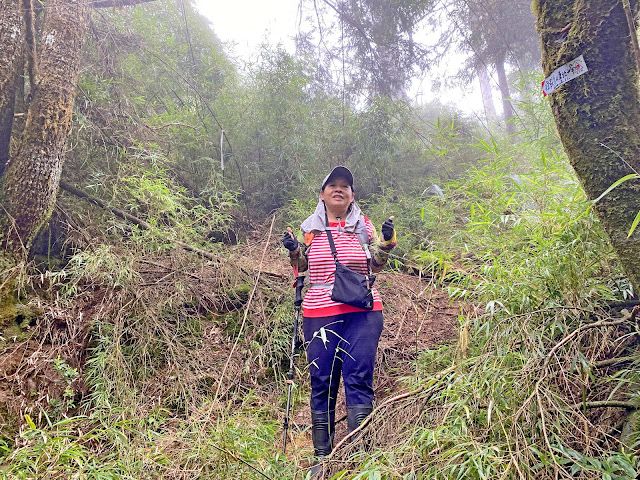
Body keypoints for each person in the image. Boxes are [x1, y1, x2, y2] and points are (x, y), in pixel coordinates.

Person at [281, 165, 397, 465]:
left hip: (363, 312)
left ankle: (360, 459)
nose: (339, 189)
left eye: (345, 186)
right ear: (322, 194)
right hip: (319, 312)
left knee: (358, 378)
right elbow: (301, 268)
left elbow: (375, 265)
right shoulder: (310, 229)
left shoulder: (364, 227)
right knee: (323, 380)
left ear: (352, 195)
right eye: (333, 184)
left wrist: (385, 243)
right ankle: (322, 458)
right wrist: (294, 250)